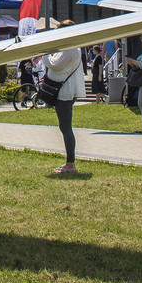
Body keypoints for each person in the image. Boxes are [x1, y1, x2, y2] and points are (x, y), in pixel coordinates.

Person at [44, 22, 85, 174]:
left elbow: (54, 65)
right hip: (66, 91)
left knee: (66, 127)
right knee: (65, 127)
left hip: (64, 93)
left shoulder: (70, 50)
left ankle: (70, 164)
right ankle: (70, 163)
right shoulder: (71, 48)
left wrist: (44, 53)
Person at [104, 41, 127, 106]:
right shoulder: (115, 41)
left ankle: (106, 75)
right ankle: (114, 74)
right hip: (113, 53)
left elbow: (103, 48)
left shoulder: (106, 41)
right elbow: (116, 48)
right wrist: (118, 55)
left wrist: (103, 54)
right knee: (114, 64)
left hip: (107, 53)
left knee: (107, 65)